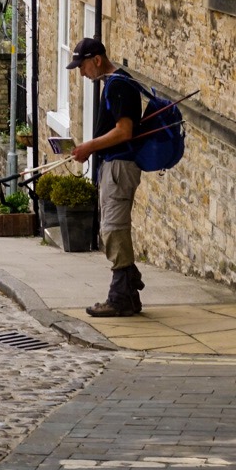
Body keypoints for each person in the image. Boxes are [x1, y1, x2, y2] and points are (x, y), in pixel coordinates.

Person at [67, 37, 145, 317]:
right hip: (115, 166)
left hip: (119, 166)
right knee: (113, 227)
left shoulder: (118, 86)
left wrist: (90, 146)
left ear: (97, 60)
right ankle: (129, 287)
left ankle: (120, 297)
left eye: (83, 66)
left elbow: (125, 131)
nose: (81, 73)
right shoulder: (117, 83)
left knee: (113, 228)